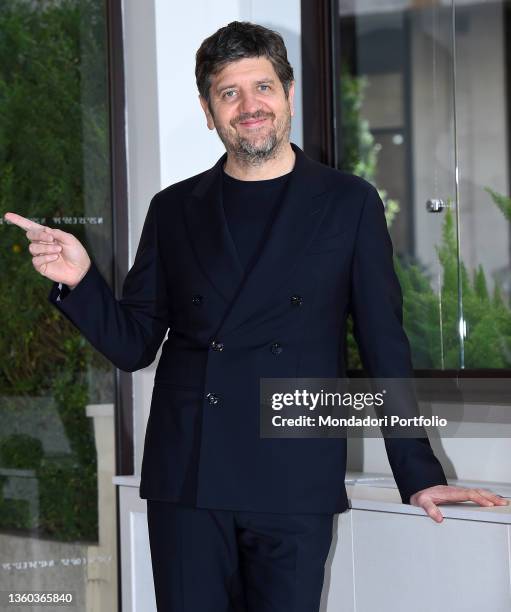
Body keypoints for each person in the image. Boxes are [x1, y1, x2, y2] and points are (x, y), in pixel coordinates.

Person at [5, 20, 507, 612]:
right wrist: (83, 283)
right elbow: (135, 344)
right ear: (208, 109)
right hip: (190, 475)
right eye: (229, 93)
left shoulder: (349, 202)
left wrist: (416, 470)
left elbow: (382, 345)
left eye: (263, 87)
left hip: (293, 475)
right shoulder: (173, 210)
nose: (250, 107)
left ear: (288, 93)